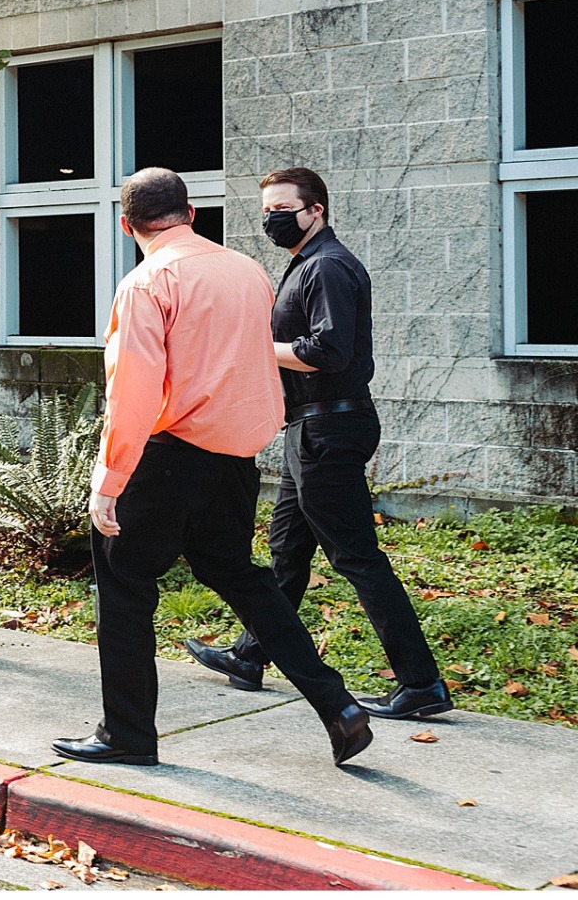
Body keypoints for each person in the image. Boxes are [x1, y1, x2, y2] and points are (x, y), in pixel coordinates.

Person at [54, 168, 373, 768]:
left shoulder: (146, 283)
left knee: (123, 590)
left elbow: (133, 395)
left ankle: (127, 734)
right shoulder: (248, 272)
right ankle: (338, 706)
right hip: (233, 461)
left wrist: (109, 481)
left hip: (165, 458)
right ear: (192, 213)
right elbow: (258, 367)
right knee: (244, 580)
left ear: (127, 226)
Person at [185, 167, 450, 721]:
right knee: (286, 549)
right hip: (310, 427)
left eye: (283, 209)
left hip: (328, 428)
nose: (271, 220)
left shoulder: (326, 266)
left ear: (316, 211)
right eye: (266, 211)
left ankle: (421, 683)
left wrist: (253, 345)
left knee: (357, 557)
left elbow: (328, 350)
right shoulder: (305, 265)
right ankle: (251, 654)